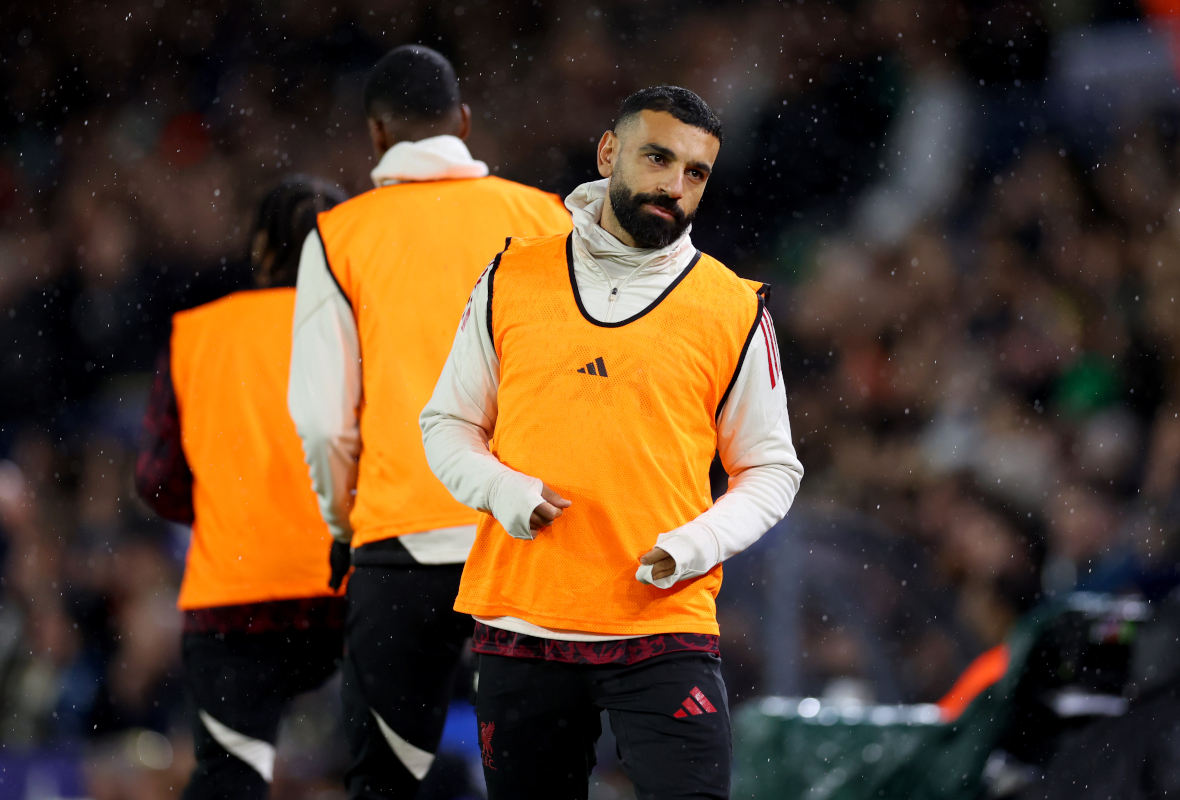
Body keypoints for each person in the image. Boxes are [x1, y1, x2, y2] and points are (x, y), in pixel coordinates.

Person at [421, 86, 804, 799]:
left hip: (664, 624)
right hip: (522, 618)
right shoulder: (509, 277)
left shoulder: (732, 307)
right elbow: (446, 424)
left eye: (696, 172)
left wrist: (694, 544)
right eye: (658, 158)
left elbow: (772, 469)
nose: (675, 186)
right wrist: (502, 490)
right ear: (608, 152)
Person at [287, 45, 572, 799]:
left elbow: (321, 423)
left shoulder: (339, 237)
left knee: (385, 783)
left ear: (376, 134)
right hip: (528, 538)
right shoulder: (544, 219)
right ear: (465, 122)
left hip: (401, 544)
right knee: (543, 778)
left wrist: (344, 526)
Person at [135, 175, 348, 800]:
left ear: (259, 247)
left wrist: (229, 503)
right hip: (353, 594)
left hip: (233, 601)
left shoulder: (196, 334)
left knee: (230, 778)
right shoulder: (368, 332)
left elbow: (155, 480)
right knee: (377, 772)